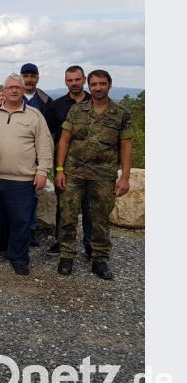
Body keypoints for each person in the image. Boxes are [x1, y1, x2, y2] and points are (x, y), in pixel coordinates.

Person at [55, 70, 132, 280]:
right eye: (94, 84)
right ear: (89, 86)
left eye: (102, 83)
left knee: (100, 218)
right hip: (74, 172)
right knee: (68, 215)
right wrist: (59, 170)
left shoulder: (121, 113)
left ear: (109, 85)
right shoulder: (77, 110)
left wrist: (124, 177)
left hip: (103, 175)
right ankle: (66, 256)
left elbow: (125, 146)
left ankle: (100, 259)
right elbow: (64, 141)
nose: (98, 87)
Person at [0, 73, 54, 276]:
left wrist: (42, 171)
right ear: (3, 90)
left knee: (21, 221)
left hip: (21, 180)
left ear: (22, 91)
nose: (13, 90)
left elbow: (45, 146)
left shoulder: (34, 115)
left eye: (17, 88)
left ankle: (18, 257)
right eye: (9, 87)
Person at [45, 65, 93, 256]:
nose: (74, 83)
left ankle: (90, 244)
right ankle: (61, 241)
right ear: (65, 81)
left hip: (93, 167)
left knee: (90, 208)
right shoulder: (56, 106)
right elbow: (49, 136)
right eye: (70, 80)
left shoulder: (95, 102)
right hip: (64, 165)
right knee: (64, 206)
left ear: (84, 80)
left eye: (77, 79)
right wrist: (55, 168)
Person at [19, 62, 53, 247]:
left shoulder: (45, 100)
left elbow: (50, 131)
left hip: (36, 155)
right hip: (18, 154)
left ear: (38, 78)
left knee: (32, 195)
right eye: (26, 76)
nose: (29, 79)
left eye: (33, 76)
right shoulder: (13, 95)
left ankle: (30, 230)